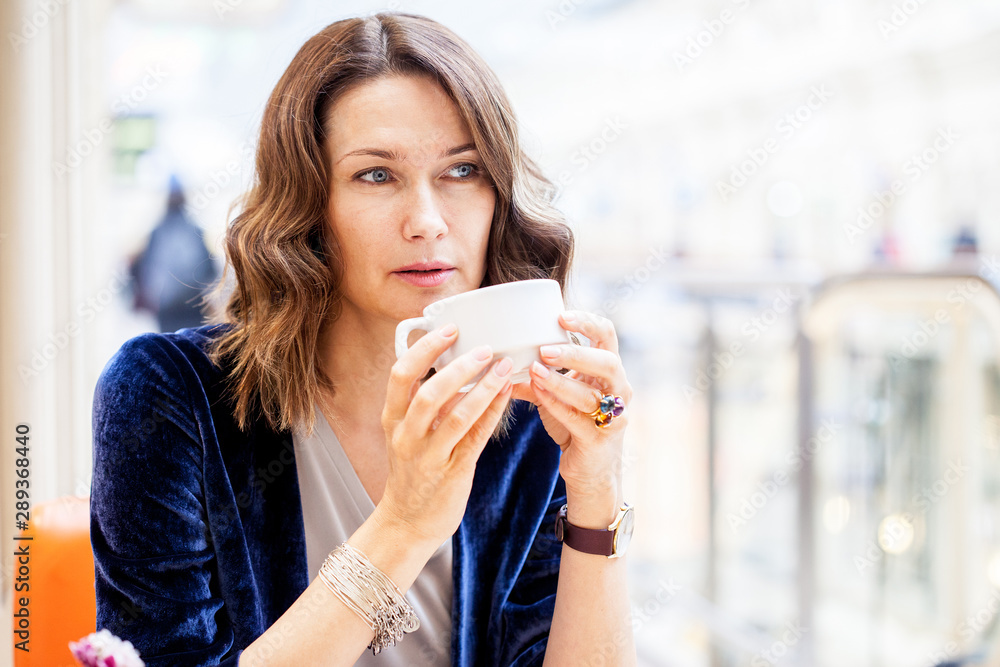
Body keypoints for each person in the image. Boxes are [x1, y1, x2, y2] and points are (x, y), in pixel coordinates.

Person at [90, 12, 636, 666]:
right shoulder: (167, 396)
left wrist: (596, 489)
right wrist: (403, 526)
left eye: (463, 170)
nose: (427, 222)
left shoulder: (527, 414)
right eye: (376, 174)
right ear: (308, 206)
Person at [128, 175, 218, 332]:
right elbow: (209, 269)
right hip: (189, 307)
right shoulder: (193, 231)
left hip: (172, 309)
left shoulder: (158, 233)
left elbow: (142, 269)